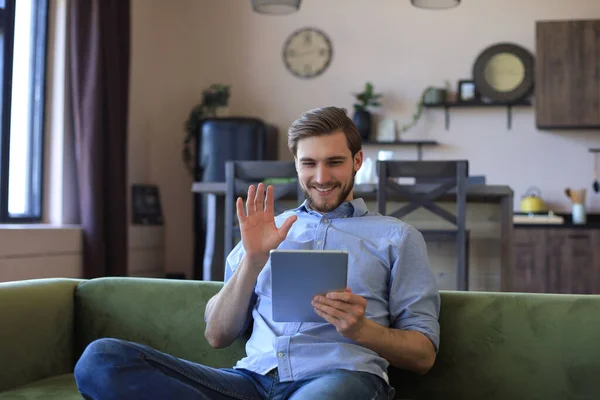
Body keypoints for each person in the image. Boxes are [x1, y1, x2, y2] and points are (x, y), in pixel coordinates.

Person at [74, 106, 440, 400]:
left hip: (341, 379)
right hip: (250, 382)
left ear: (357, 161)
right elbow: (217, 335)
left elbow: (423, 355)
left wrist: (363, 330)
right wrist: (252, 260)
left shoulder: (397, 237)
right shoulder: (264, 229)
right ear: (296, 165)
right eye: (308, 163)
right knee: (101, 359)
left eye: (334, 162)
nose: (321, 176)